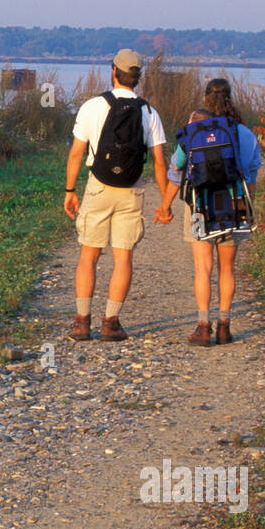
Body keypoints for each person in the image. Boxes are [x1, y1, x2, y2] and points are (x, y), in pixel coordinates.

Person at [64, 49, 171, 341]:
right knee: (123, 257)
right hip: (132, 190)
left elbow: (76, 153)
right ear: (138, 77)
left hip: (98, 186)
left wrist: (70, 190)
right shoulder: (149, 112)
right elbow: (160, 162)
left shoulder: (92, 106)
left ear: (113, 71)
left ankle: (82, 323)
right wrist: (165, 203)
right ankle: (111, 323)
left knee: (89, 254)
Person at [156, 78, 262, 346]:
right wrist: (249, 208)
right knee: (227, 268)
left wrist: (165, 205)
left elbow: (176, 173)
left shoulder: (192, 132)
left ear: (205, 100)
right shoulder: (244, 134)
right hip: (234, 205)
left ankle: (203, 327)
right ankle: (224, 327)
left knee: (203, 267)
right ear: (230, 99)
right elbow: (250, 175)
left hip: (200, 206)